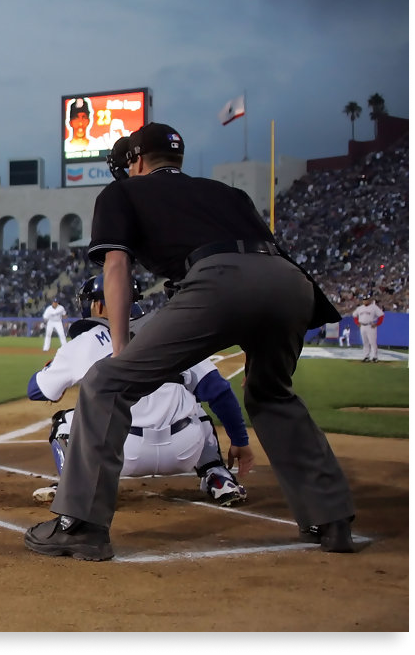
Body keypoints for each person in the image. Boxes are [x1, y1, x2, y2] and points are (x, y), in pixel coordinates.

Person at [24, 122, 354, 562]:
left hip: (218, 282)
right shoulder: (227, 194)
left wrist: (121, 351)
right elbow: (260, 254)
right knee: (272, 393)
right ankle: (330, 518)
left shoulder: (122, 193)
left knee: (107, 383)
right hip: (291, 283)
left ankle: (81, 526)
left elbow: (116, 268)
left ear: (136, 161)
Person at [28, 274, 251, 507]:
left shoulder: (85, 342)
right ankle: (219, 477)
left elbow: (37, 390)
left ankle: (76, 489)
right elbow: (219, 391)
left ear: (98, 304)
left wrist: (54, 371)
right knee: (197, 410)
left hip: (123, 453)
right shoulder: (174, 332)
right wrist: (240, 441)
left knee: (64, 421)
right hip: (184, 451)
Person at [351, 294, 384, 362]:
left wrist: (377, 324)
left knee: (372, 342)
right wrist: (357, 323)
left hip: (370, 326)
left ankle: (375, 357)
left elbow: (381, 315)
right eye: (364, 300)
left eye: (366, 300)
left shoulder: (374, 307)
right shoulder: (360, 308)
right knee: (365, 342)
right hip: (362, 326)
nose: (365, 301)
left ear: (369, 300)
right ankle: (366, 356)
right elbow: (354, 315)